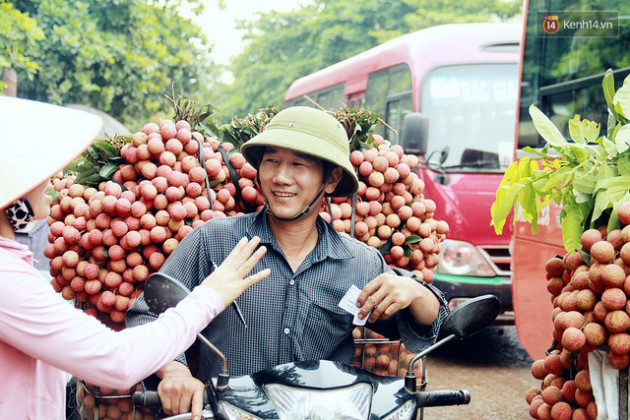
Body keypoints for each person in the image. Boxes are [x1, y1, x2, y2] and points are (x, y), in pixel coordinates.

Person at [126, 106, 449, 416]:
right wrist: (176, 373)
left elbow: (424, 325)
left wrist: (416, 292)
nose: (281, 177)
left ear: (331, 180)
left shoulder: (359, 262)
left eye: (298, 165)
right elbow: (148, 314)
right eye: (271, 162)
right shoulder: (214, 241)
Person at [0, 96, 271, 420]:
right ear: (11, 198)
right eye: (34, 171)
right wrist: (212, 294)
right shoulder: (5, 277)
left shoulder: (13, 266)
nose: (52, 178)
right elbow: (119, 360)